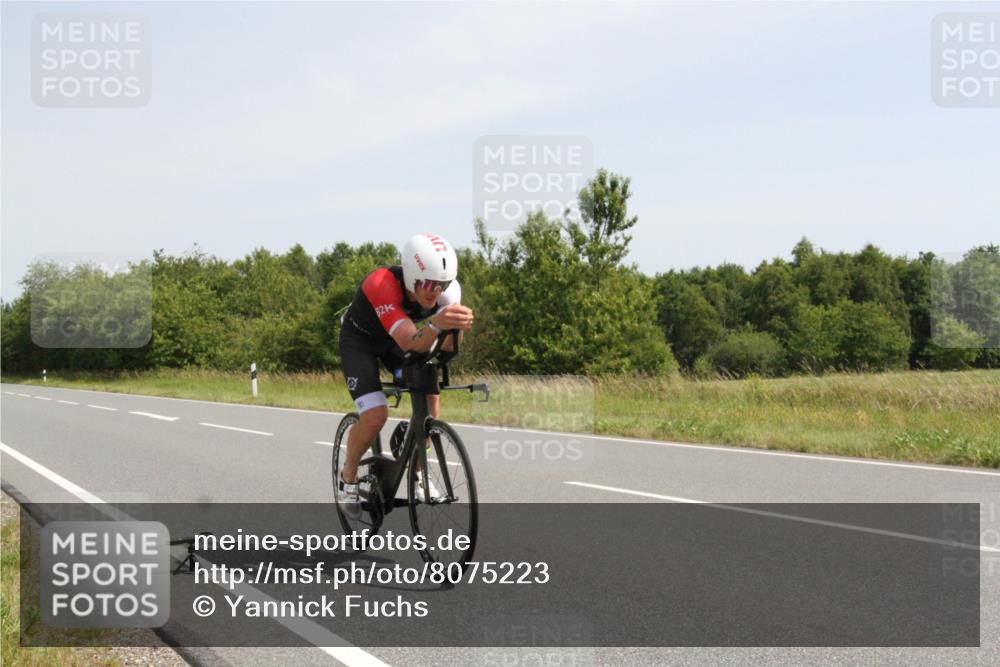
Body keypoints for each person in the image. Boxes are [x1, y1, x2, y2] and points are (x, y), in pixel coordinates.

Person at [336, 233, 474, 517]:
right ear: (412, 275)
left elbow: (443, 350)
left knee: (430, 408)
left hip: (396, 340)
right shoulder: (381, 284)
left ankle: (417, 471)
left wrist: (456, 329)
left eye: (442, 285)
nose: (434, 292)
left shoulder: (447, 292)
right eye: (427, 284)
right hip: (360, 342)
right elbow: (411, 342)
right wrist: (436, 324)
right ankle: (347, 477)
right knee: (375, 415)